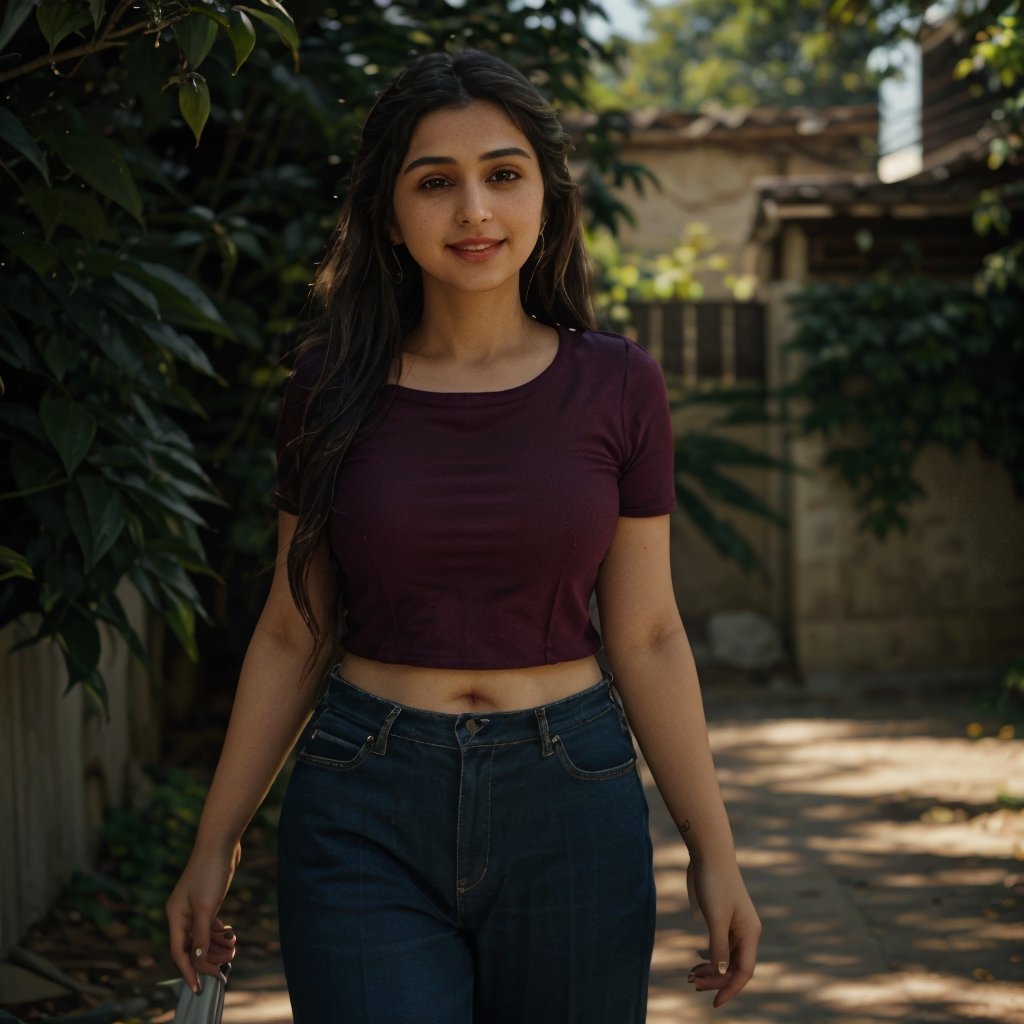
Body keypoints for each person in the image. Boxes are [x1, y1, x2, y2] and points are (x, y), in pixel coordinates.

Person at [166, 48, 760, 1023]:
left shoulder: (618, 385)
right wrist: (214, 842)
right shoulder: (329, 390)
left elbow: (647, 631)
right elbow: (292, 626)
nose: (474, 209)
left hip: (571, 796)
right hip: (363, 799)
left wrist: (715, 849)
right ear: (389, 214)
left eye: (502, 173)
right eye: (435, 182)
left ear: (544, 195)